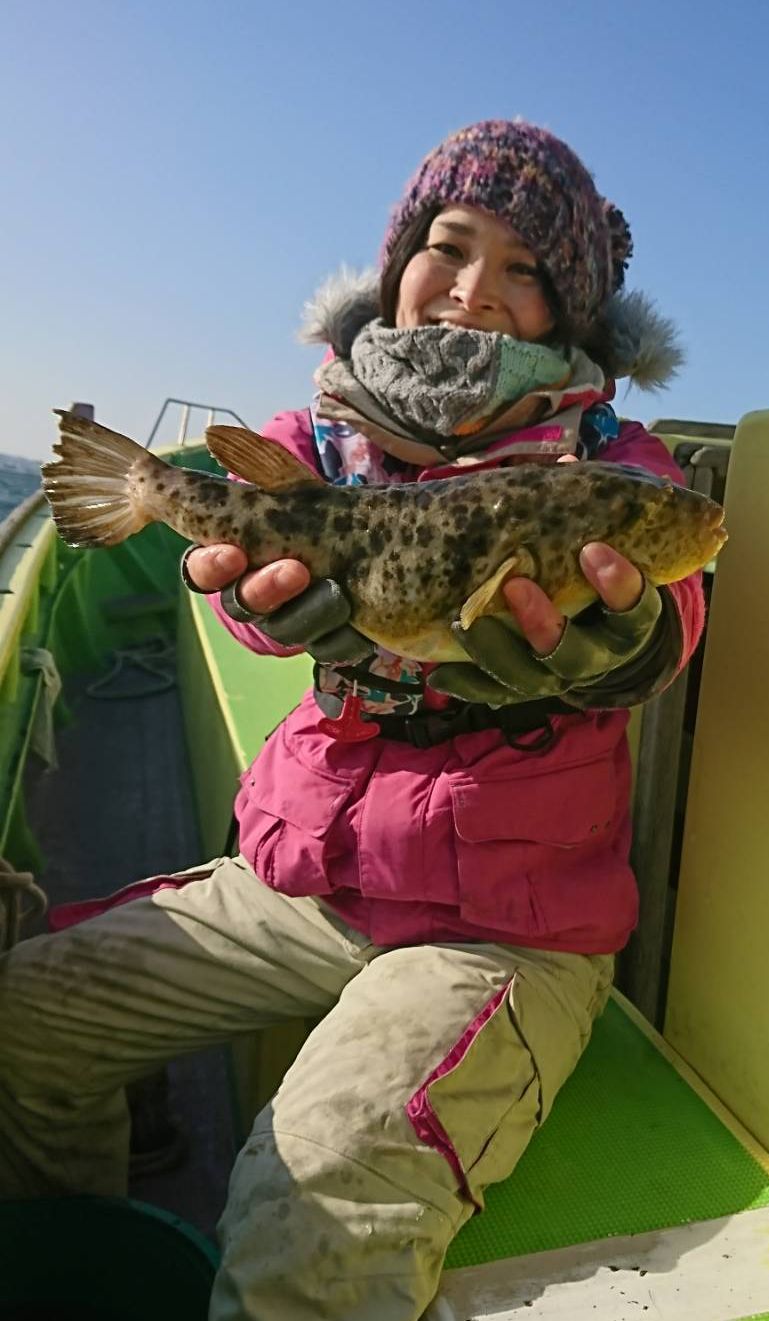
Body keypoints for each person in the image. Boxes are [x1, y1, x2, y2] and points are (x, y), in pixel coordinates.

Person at [0, 120, 704, 1321]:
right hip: (304, 877)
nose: (476, 287)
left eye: (526, 268)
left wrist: (621, 644)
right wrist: (271, 612)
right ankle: (90, 1244)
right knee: (21, 1021)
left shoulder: (616, 465)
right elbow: (251, 589)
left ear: (569, 311)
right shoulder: (310, 441)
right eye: (449, 244)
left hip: (507, 924)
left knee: (315, 1198)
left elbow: (666, 612)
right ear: (397, 264)